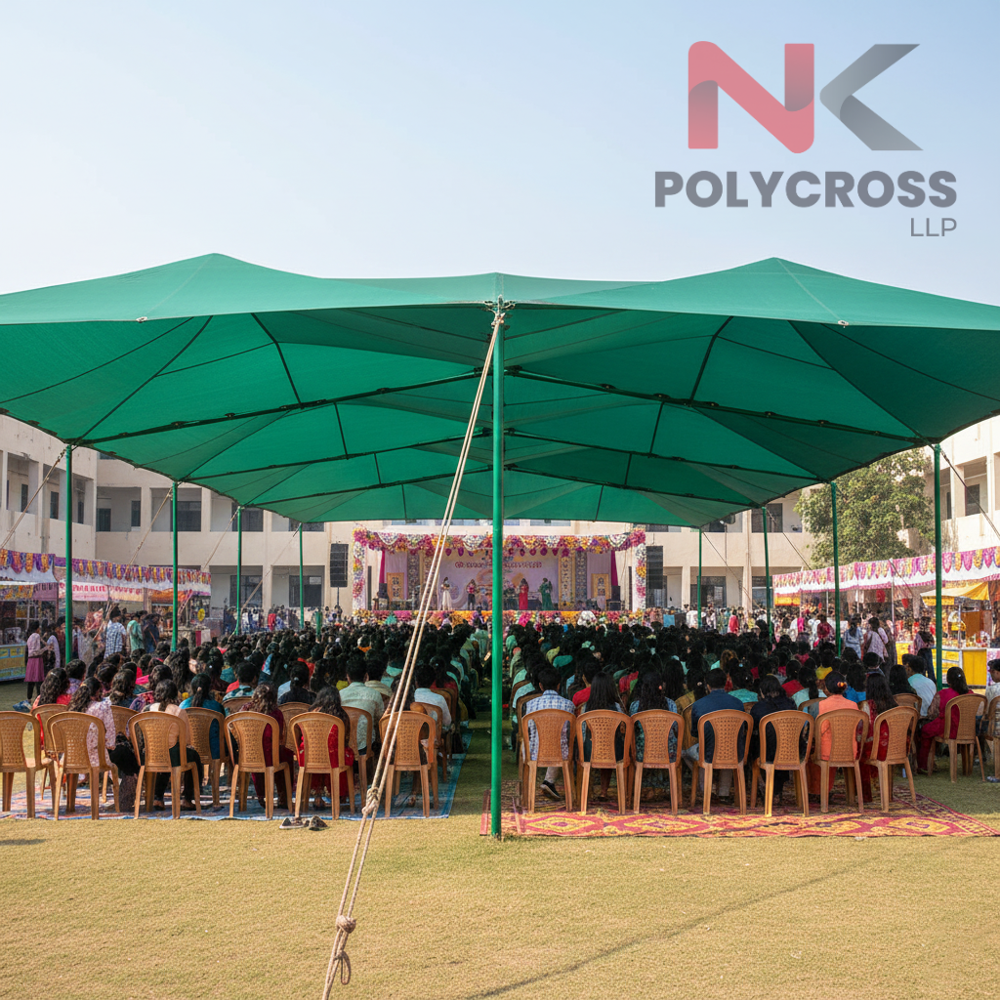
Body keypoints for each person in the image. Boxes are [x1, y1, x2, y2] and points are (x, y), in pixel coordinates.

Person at [685, 668, 745, 801]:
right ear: (725, 683)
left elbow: (695, 733)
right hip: (734, 752)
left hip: (708, 753)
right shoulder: (738, 703)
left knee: (689, 752)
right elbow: (741, 731)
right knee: (729, 746)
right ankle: (724, 793)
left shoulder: (699, 705)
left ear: (707, 685)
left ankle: (707, 790)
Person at [144, 680, 201, 811]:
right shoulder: (179, 711)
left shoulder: (149, 709)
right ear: (175, 693)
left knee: (166, 755)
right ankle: (187, 798)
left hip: (150, 753)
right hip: (172, 754)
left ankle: (158, 798)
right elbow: (187, 740)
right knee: (193, 757)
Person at [300, 686, 356, 810]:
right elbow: (344, 740)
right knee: (342, 753)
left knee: (319, 755)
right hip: (335, 758)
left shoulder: (310, 713)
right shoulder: (341, 715)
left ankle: (318, 796)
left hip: (311, 757)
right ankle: (339, 796)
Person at [238, 683, 292, 810]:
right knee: (285, 754)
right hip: (269, 757)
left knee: (259, 754)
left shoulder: (245, 710)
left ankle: (261, 795)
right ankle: (283, 795)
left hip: (248, 755)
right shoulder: (276, 713)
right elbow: (279, 737)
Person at [749, 674, 801, 803]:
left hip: (766, 753)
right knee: (779, 742)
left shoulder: (759, 707)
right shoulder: (791, 704)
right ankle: (777, 790)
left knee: (754, 743)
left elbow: (752, 727)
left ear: (762, 692)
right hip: (791, 750)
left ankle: (762, 782)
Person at [917, 666, 969, 774]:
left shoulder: (943, 694)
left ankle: (924, 764)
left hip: (947, 728)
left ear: (948, 681)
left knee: (925, 730)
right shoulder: (971, 694)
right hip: (966, 729)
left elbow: (931, 713)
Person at [859, 670, 898, 801]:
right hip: (895, 747)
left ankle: (866, 794)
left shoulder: (867, 706)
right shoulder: (894, 705)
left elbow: (864, 731)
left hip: (876, 750)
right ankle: (886, 791)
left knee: (859, 752)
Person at [67, 675, 116, 770]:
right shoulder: (102, 707)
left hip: (72, 755)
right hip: (96, 757)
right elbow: (110, 738)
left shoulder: (71, 708)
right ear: (97, 691)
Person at [339, 658, 385, 754]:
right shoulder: (375, 694)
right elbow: (380, 719)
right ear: (366, 677)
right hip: (366, 745)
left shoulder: (340, 695)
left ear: (348, 677)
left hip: (344, 744)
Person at [180, 672, 226, 761]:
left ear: (192, 688)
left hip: (188, 752)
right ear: (209, 688)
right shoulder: (216, 706)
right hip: (215, 752)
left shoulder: (183, 705)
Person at [24, 620, 44, 702]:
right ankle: (39, 699)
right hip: (37, 660)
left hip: (30, 660)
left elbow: (28, 651)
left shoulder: (29, 637)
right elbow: (38, 649)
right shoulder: (37, 636)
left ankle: (29, 699)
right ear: (38, 628)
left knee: (30, 681)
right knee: (38, 680)